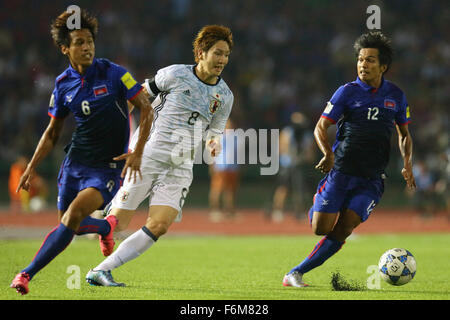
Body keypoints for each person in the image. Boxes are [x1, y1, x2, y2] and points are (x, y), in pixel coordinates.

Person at [10, 9, 153, 295]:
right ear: (65, 49)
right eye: (79, 42)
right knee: (70, 223)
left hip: (107, 167)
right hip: (75, 162)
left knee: (72, 215)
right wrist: (31, 167)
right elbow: (52, 132)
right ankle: (105, 228)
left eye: (89, 41)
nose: (86, 47)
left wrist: (137, 152)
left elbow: (146, 107)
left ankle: (26, 274)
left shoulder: (115, 74)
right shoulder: (63, 84)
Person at [85, 25, 234, 287]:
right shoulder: (175, 74)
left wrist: (213, 142)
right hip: (149, 154)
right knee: (118, 225)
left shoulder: (225, 95)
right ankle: (95, 214)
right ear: (200, 53)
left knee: (160, 225)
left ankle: (101, 270)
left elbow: (215, 128)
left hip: (181, 164)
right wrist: (115, 132)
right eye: (217, 53)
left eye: (226, 55)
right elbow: (137, 97)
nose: (222, 60)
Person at [283, 31, 416, 287]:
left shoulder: (396, 96)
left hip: (372, 178)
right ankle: (319, 202)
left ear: (383, 66)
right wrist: (328, 154)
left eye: (370, 60)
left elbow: (404, 134)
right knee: (320, 229)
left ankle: (295, 273)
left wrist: (407, 164)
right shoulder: (347, 92)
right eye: (360, 59)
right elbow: (320, 127)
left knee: (345, 227)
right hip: (342, 171)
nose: (363, 64)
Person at [270, 111, 314, 222]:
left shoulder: (307, 135)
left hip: (299, 165)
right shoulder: (287, 132)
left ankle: (299, 211)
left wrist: (301, 158)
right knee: (283, 188)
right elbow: (281, 148)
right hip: (287, 163)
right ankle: (277, 210)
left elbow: (310, 154)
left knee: (299, 189)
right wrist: (291, 156)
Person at [209, 118, 240, 222]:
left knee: (230, 190)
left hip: (232, 166)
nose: (228, 125)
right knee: (217, 189)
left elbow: (238, 152)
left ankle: (229, 211)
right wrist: (212, 164)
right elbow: (212, 152)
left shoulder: (235, 136)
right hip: (220, 165)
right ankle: (215, 211)